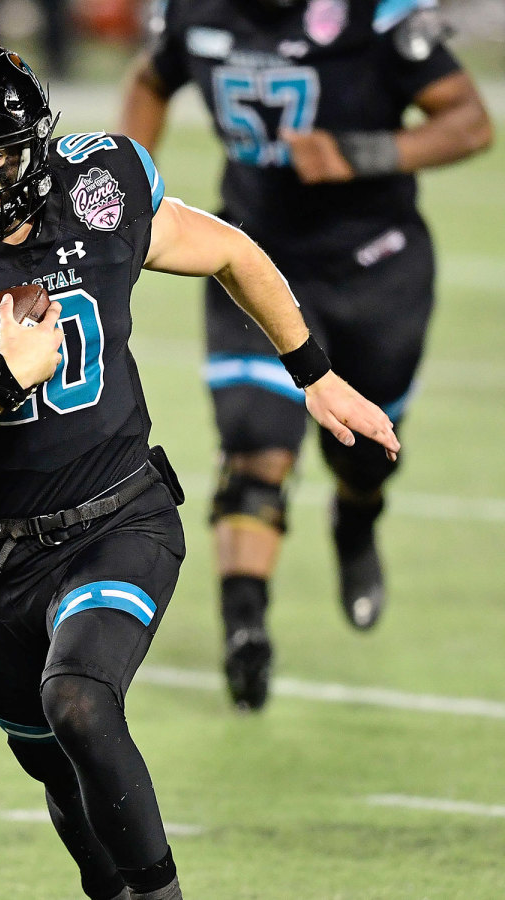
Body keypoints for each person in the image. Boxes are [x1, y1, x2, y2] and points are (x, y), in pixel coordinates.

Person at [0, 39, 400, 899]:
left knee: (81, 703)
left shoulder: (98, 189)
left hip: (119, 518)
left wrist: (315, 374)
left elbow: (231, 253)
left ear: (34, 144)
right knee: (57, 773)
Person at [118, 0, 493, 710]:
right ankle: (246, 628)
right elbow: (149, 81)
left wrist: (363, 152)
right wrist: (124, 190)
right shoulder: (193, 12)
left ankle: (356, 522)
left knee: (364, 452)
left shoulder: (376, 16)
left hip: (376, 268)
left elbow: (470, 122)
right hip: (253, 262)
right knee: (256, 446)